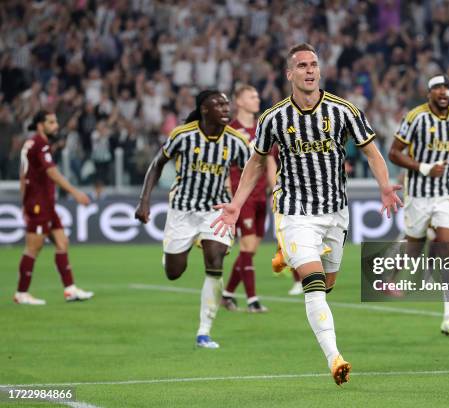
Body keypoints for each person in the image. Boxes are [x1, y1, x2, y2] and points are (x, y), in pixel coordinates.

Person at [211, 43, 403, 385]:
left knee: (327, 284)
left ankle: (287, 254)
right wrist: (236, 205)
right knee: (313, 285)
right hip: (295, 211)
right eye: (302, 65)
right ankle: (335, 359)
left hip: (335, 212)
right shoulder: (274, 118)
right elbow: (256, 164)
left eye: (314, 64)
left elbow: (372, 152)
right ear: (290, 74)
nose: (310, 70)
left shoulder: (344, 111)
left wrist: (385, 187)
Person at [135, 90, 250, 349]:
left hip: (216, 209)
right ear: (204, 109)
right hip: (183, 211)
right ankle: (172, 253)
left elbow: (248, 173)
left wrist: (238, 205)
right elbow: (157, 164)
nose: (225, 108)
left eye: (226, 104)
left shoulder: (236, 141)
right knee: (174, 272)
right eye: (218, 104)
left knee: (215, 259)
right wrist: (144, 200)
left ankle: (204, 331)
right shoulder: (182, 135)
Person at [388, 75, 449, 335]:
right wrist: (423, 167)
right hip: (419, 194)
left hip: (448, 193)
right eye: (437, 88)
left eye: (446, 88)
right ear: (429, 93)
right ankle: (389, 274)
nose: (443, 92)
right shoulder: (415, 118)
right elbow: (394, 153)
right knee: (413, 247)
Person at [15, 110, 93, 305]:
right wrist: (75, 193)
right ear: (41, 125)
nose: (56, 126)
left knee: (62, 242)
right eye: (51, 122)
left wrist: (23, 199)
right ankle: (21, 293)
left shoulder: (33, 143)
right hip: (39, 204)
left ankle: (70, 289)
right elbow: (52, 172)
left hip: (44, 204)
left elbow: (24, 175)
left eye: (56, 122)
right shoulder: (40, 145)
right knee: (33, 248)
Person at [221, 84, 275, 313]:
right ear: (239, 102)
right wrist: (228, 195)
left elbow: (270, 160)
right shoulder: (230, 131)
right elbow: (222, 165)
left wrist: (275, 189)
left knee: (250, 249)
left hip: (262, 194)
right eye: (251, 96)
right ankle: (253, 300)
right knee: (247, 245)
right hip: (241, 197)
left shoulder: (263, 128)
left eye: (257, 94)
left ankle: (227, 294)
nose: (257, 98)